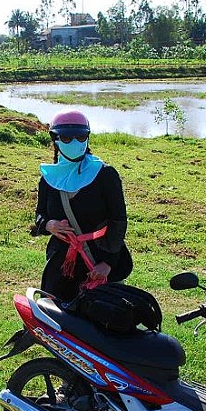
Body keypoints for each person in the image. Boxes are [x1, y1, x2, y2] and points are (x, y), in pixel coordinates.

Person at [31, 109, 132, 301]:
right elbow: (40, 215)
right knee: (58, 323)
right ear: (55, 139)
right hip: (62, 267)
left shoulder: (105, 175)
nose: (75, 142)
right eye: (67, 138)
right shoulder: (49, 179)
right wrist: (48, 225)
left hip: (98, 264)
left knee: (105, 322)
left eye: (81, 136)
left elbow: (118, 221)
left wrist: (108, 263)